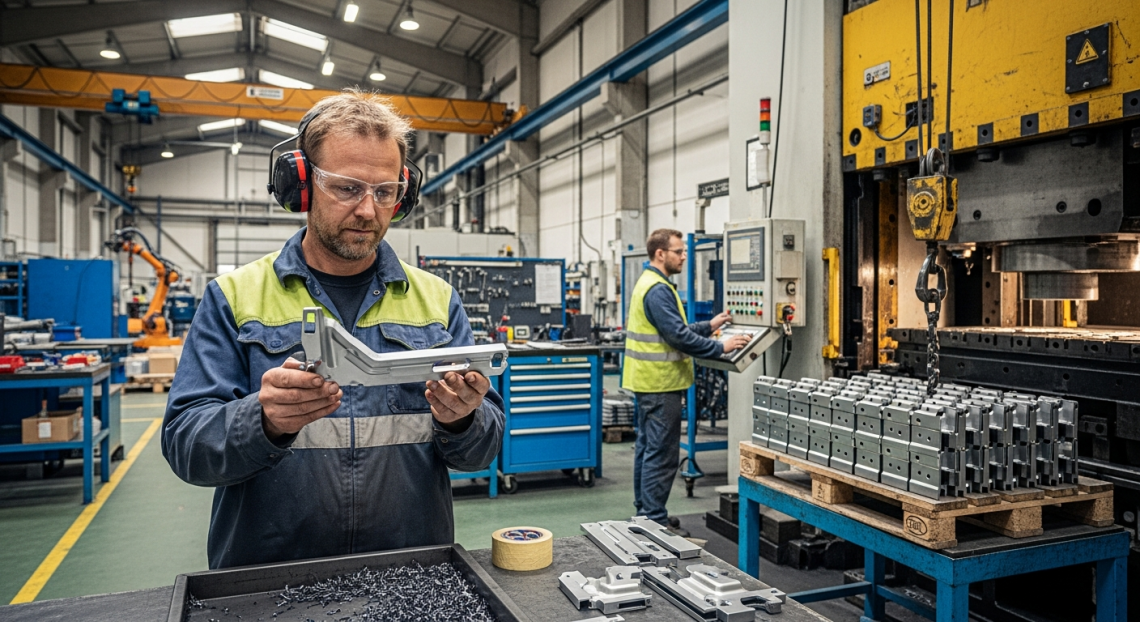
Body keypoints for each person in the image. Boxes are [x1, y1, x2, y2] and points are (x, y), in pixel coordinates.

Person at [162, 90, 504, 569]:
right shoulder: (235, 298)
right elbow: (185, 444)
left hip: (411, 574)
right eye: (347, 188)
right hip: (269, 580)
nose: (368, 210)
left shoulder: (437, 301)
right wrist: (262, 421)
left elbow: (483, 448)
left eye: (385, 192)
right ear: (300, 184)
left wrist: (462, 419)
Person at [623, 228, 751, 535]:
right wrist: (722, 346)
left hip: (649, 383)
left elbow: (677, 328)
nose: (684, 256)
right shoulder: (657, 289)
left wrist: (710, 325)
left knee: (647, 448)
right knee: (662, 454)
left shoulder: (653, 284)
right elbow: (678, 337)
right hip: (660, 384)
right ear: (660, 254)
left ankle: (646, 513)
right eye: (679, 251)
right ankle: (653, 520)